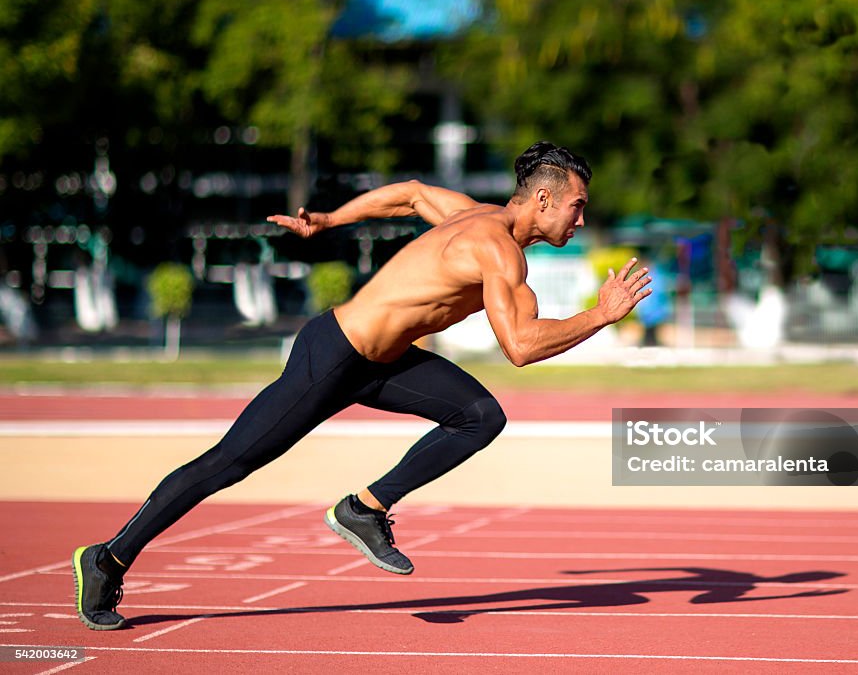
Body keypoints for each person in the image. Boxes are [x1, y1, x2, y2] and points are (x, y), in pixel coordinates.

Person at [71, 141, 653, 630]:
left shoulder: (473, 215)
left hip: (385, 362)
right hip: (333, 356)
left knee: (480, 415)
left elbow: (410, 193)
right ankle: (108, 558)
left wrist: (330, 219)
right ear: (544, 198)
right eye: (577, 207)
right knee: (228, 463)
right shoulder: (493, 246)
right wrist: (601, 315)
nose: (580, 220)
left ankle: (364, 508)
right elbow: (521, 347)